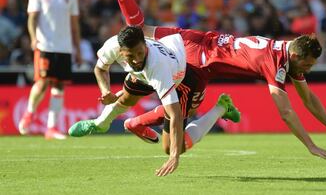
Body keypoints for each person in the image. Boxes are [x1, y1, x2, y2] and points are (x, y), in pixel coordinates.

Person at [87, 0, 326, 160]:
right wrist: (311, 145)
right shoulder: (276, 62)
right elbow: (287, 112)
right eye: (308, 66)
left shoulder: (285, 52)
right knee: (176, 141)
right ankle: (139, 122)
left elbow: (309, 98)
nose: (307, 71)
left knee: (140, 30)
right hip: (195, 65)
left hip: (198, 38)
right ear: (298, 56)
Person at [68, 25, 240, 176]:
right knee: (126, 98)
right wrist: (106, 91)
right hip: (146, 75)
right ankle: (101, 124)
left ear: (145, 44)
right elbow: (100, 68)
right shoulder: (113, 45)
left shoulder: (158, 67)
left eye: (140, 53)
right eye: (130, 56)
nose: (136, 59)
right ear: (120, 52)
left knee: (174, 146)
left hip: (185, 77)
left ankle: (222, 107)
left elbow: (175, 115)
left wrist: (174, 157)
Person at [18, 0, 82, 140]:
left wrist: (78, 48)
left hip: (65, 47)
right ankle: (29, 114)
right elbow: (32, 19)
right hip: (44, 45)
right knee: (42, 83)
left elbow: (74, 25)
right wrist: (33, 38)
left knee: (59, 86)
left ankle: (51, 128)